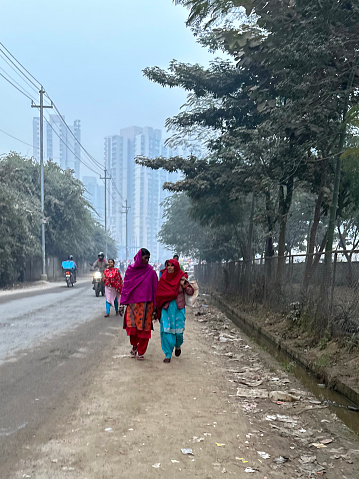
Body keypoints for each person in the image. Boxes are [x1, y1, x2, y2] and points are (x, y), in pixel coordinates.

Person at [120, 248, 158, 360]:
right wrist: (122, 303)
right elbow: (126, 288)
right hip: (132, 305)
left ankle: (141, 351)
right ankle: (134, 346)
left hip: (147, 305)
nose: (147, 260)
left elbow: (155, 288)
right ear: (139, 257)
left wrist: (155, 307)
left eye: (148, 259)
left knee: (144, 330)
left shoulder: (151, 272)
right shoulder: (130, 271)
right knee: (132, 329)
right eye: (145, 258)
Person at [156, 258, 194, 363]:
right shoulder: (163, 278)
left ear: (176, 266)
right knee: (166, 330)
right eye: (168, 265)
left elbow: (191, 292)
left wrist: (184, 286)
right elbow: (159, 294)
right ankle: (168, 354)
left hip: (178, 308)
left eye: (172, 265)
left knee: (178, 333)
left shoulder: (182, 277)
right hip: (166, 308)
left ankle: (178, 346)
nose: (169, 267)